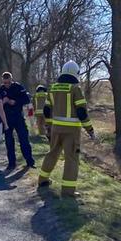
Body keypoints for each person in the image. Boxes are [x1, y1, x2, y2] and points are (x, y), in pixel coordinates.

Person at [38, 61, 95, 197]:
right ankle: (68, 191)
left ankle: (42, 180)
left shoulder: (52, 88)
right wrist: (90, 130)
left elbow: (46, 110)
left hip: (56, 129)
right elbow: (82, 112)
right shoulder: (75, 89)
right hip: (72, 132)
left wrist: (49, 126)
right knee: (71, 159)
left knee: (52, 154)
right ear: (76, 73)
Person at [0, 72, 36, 171]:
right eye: (5, 83)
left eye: (8, 82)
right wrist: (3, 101)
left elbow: (26, 99)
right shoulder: (1, 89)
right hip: (6, 119)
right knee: (9, 142)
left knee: (24, 139)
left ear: (11, 79)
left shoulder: (18, 87)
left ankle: (29, 161)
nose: (7, 84)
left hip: (18, 117)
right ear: (3, 81)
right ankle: (11, 163)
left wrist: (15, 101)